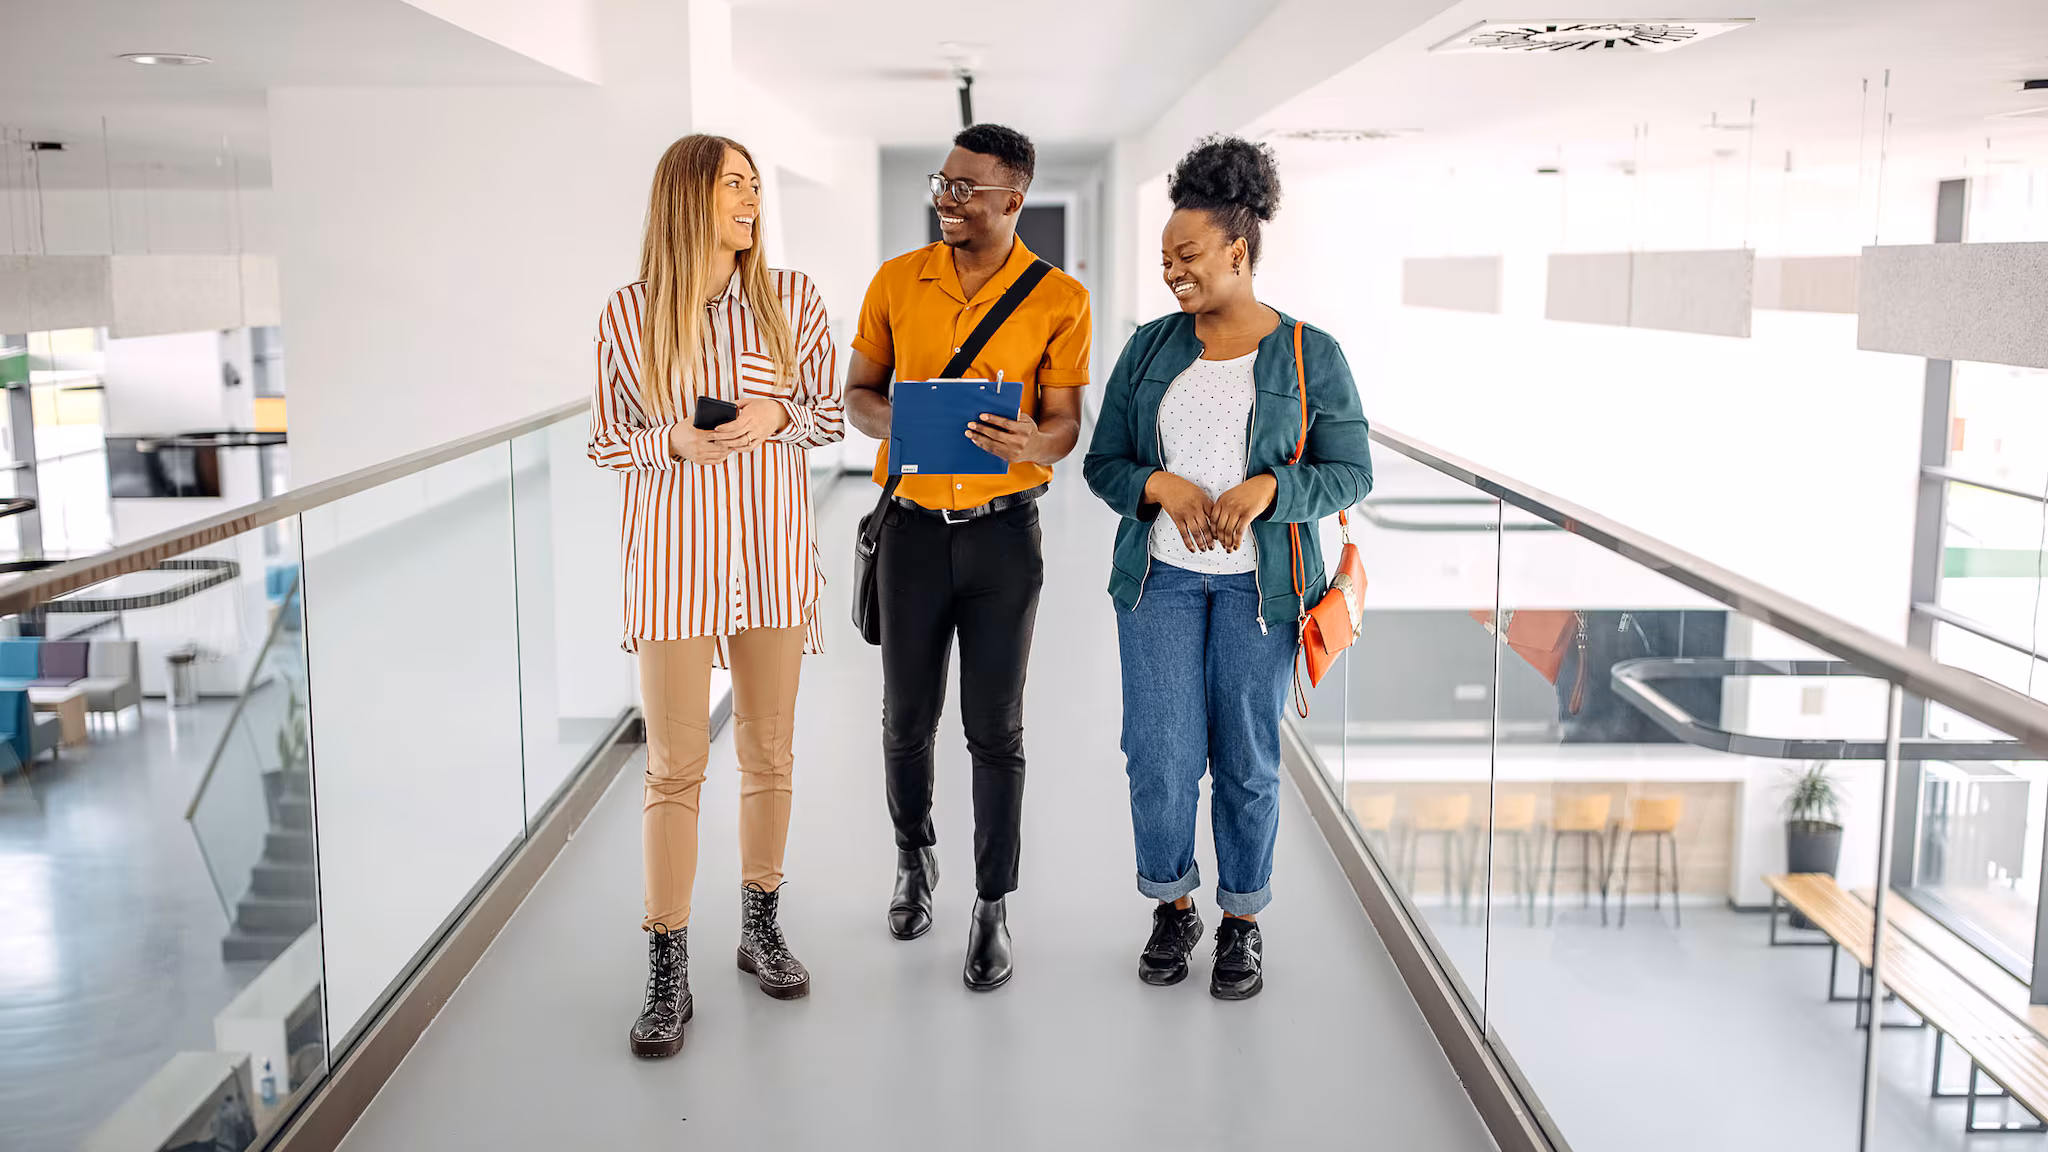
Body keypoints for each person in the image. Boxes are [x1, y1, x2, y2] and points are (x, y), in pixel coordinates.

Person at [1083, 136, 1373, 1000]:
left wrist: (1266, 492)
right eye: (1165, 257)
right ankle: (1173, 907)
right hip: (1159, 582)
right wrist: (1160, 484)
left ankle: (1241, 921)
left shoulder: (1309, 353)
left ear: (1238, 253)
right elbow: (1105, 465)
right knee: (1160, 756)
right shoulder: (1149, 350)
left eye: (1188, 254)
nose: (1172, 271)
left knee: (1246, 761)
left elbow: (1350, 471)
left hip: (1263, 591)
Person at [589, 134, 842, 1057]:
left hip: (770, 560)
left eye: (753, 186)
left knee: (769, 752)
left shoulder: (793, 303)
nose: (749, 199)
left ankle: (760, 926)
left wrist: (778, 413)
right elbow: (604, 438)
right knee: (674, 766)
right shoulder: (629, 314)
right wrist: (672, 444)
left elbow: (829, 413)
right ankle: (666, 969)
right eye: (732, 184)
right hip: (675, 567)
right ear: (688, 197)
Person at [845, 123, 1091, 991]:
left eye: (964, 188)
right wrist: (901, 419)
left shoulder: (1060, 298)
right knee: (905, 721)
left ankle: (993, 906)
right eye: (941, 184)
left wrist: (1037, 436)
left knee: (996, 730)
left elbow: (1065, 425)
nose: (946, 199)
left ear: (1012, 200)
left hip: (1001, 536)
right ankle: (915, 861)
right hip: (910, 531)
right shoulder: (894, 282)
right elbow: (857, 397)